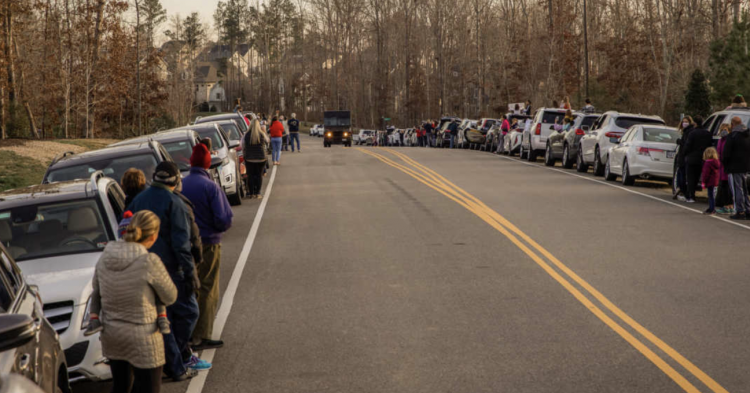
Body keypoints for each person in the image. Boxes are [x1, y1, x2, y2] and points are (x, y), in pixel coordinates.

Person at [127, 162, 208, 381]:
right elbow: (181, 244)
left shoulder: (138, 200)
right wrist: (191, 274)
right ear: (174, 180)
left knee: (164, 317)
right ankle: (174, 359)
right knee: (189, 312)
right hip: (170, 271)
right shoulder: (176, 204)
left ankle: (174, 362)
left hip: (141, 269)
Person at [87, 210, 177, 393]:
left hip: (113, 336)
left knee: (121, 386)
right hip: (144, 337)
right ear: (153, 236)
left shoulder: (106, 255)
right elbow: (170, 296)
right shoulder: (149, 261)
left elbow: (97, 289)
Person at [182, 144, 234, 351]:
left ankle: (188, 332)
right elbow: (224, 218)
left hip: (185, 244)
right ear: (206, 163)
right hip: (209, 243)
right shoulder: (210, 187)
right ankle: (202, 334)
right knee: (207, 287)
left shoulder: (182, 185)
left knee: (189, 287)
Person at [721, 116, 750, 220]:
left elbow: (726, 153)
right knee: (744, 189)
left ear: (732, 124)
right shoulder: (747, 135)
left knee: (737, 189)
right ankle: (747, 209)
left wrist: (725, 164)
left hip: (734, 167)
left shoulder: (733, 136)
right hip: (745, 166)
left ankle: (740, 211)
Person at [683, 115, 713, 203]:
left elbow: (688, 145)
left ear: (694, 123)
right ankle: (693, 193)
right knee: (696, 177)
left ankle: (691, 195)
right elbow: (709, 145)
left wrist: (685, 153)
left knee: (690, 178)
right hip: (703, 158)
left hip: (692, 158)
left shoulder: (692, 133)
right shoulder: (707, 133)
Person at [243, 119, 268, 198]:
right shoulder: (262, 134)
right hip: (261, 158)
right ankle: (258, 193)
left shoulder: (246, 135)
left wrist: (245, 155)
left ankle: (251, 193)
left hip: (249, 158)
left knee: (250, 175)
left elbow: (243, 146)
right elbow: (267, 144)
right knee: (259, 175)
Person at [673, 116, 695, 201]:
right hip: (682, 156)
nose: (684, 123)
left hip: (684, 156)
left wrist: (680, 142)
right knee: (680, 172)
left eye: (686, 122)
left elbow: (686, 144)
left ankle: (683, 191)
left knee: (683, 174)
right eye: (683, 121)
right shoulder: (686, 131)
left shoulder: (689, 132)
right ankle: (680, 189)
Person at [715, 124, 735, 214]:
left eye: (725, 129)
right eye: (722, 129)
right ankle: (727, 205)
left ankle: (728, 205)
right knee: (724, 186)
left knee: (728, 187)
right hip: (721, 167)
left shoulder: (730, 140)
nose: (723, 131)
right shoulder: (720, 141)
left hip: (727, 167)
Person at [701, 147, 721, 215]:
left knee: (710, 196)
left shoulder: (708, 163)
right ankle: (712, 208)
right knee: (713, 195)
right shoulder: (717, 162)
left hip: (710, 182)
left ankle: (712, 208)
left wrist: (703, 182)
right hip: (715, 182)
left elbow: (705, 173)